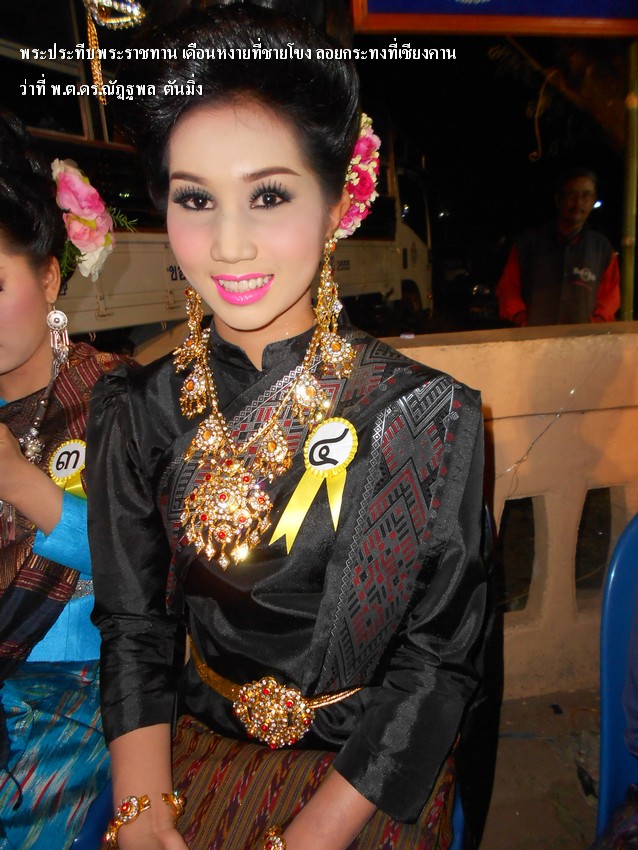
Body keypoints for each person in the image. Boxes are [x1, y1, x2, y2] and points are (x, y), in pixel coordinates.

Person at [86, 5, 497, 850]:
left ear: (338, 201)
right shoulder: (136, 411)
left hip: (369, 768)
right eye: (196, 199)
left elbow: (437, 660)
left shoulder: (423, 414)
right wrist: (142, 809)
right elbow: (135, 624)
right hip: (192, 744)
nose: (229, 245)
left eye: (268, 195)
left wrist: (310, 837)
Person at [0, 112, 129, 848]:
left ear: (48, 275)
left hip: (87, 695)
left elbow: (146, 555)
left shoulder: (118, 396)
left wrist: (20, 482)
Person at [496, 168, 621, 327]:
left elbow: (610, 297)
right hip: (534, 337)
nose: (578, 202)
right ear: (558, 200)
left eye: (586, 195)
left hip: (582, 339)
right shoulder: (528, 244)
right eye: (571, 195)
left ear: (593, 200)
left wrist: (594, 326)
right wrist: (522, 320)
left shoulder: (602, 249)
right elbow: (508, 289)